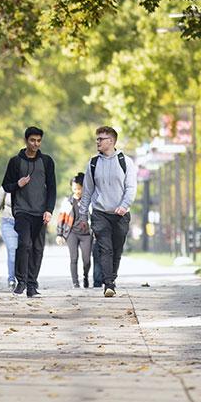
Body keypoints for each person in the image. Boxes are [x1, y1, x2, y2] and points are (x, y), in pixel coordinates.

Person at [80, 126, 136, 297]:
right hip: (100, 213)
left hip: (120, 215)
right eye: (97, 139)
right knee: (105, 249)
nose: (97, 142)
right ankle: (108, 284)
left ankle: (112, 277)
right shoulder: (93, 163)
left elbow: (131, 187)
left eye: (101, 139)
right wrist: (83, 215)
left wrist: (124, 205)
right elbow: (87, 191)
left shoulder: (125, 162)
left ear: (111, 141)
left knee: (117, 249)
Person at [1, 125, 56, 298]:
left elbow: (52, 188)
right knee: (24, 244)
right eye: (32, 140)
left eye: (39, 140)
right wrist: (18, 184)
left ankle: (32, 285)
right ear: (26, 141)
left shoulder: (47, 161)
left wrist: (49, 210)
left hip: (40, 212)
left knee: (37, 248)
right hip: (22, 211)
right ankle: (21, 282)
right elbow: (6, 185)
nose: (36, 144)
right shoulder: (15, 161)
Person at [56, 173, 92, 288]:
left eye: (79, 188)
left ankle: (85, 276)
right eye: (74, 188)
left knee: (86, 260)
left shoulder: (88, 201)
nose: (77, 191)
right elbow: (61, 218)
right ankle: (75, 282)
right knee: (74, 257)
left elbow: (93, 216)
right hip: (72, 233)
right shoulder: (68, 201)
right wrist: (59, 234)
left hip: (86, 234)